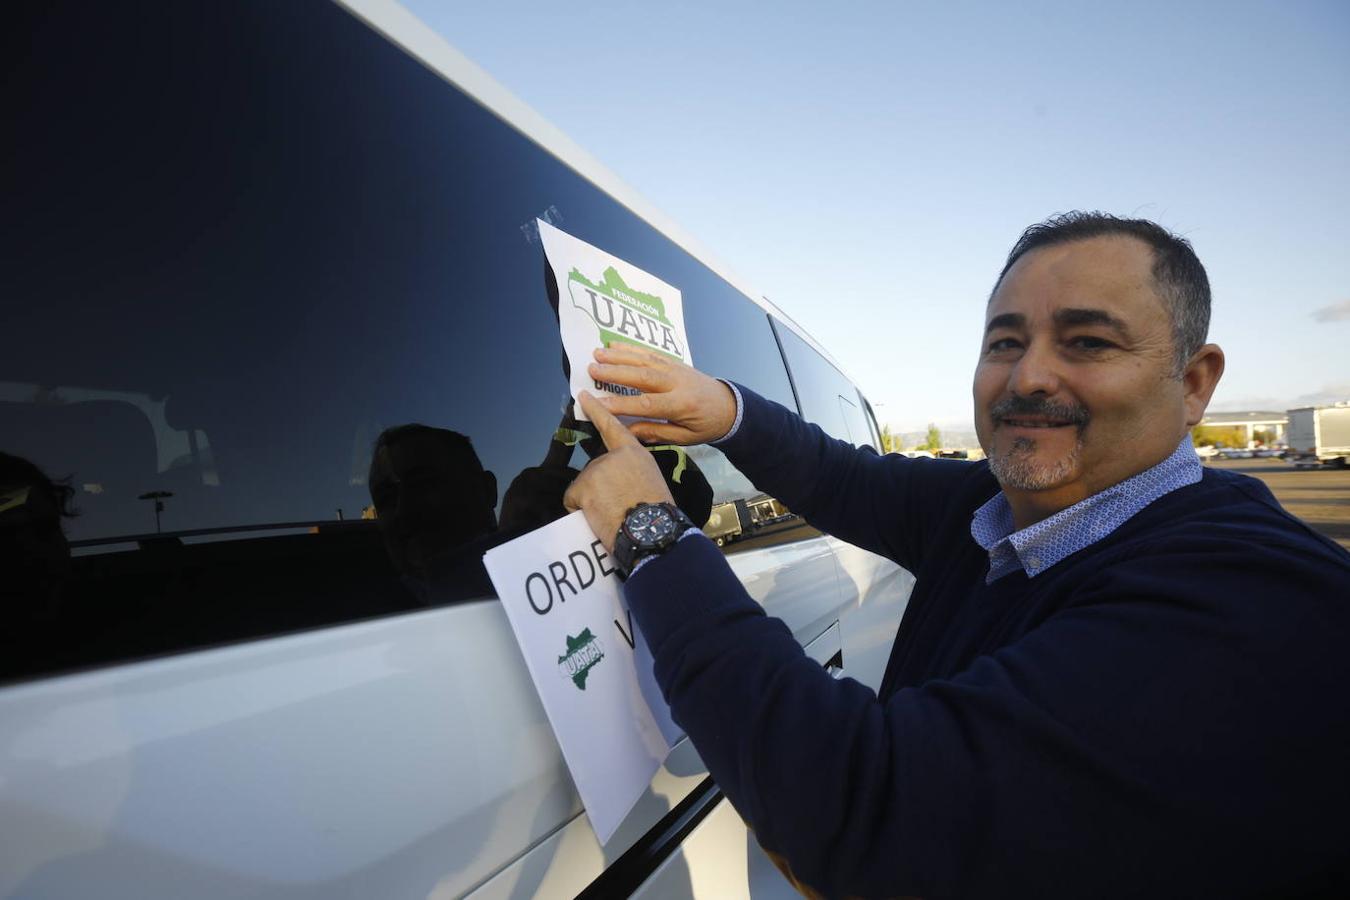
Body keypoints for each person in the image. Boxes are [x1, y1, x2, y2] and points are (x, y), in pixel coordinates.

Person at [562, 212, 1350, 899]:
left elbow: (869, 819)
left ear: (1194, 382)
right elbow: (846, 478)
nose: (1029, 375)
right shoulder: (999, 509)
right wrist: (726, 410)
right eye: (1005, 341)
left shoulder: (1252, 601)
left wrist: (650, 531)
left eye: (1088, 341)